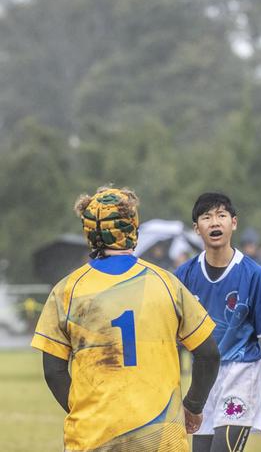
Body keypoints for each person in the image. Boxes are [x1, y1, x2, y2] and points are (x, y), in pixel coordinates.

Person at [31, 186, 220, 452]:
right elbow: (209, 354)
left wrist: (84, 411)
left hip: (94, 437)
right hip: (162, 438)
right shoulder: (167, 284)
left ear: (89, 234)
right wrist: (194, 406)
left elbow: (53, 371)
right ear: (133, 230)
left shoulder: (67, 291)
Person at [175, 192, 261, 452]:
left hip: (242, 374)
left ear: (233, 223)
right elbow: (172, 334)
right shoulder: (184, 275)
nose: (214, 222)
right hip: (202, 378)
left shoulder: (254, 274)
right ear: (196, 228)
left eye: (221, 215)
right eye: (207, 217)